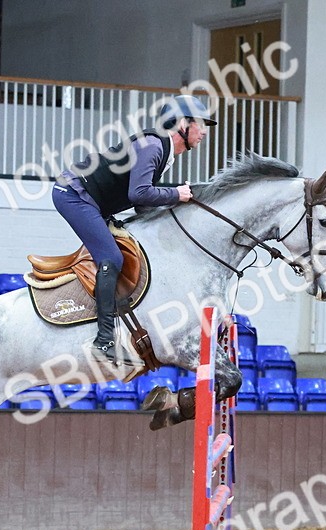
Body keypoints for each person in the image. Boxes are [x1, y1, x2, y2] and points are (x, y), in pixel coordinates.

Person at [52, 94, 217, 364]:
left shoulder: (163, 150)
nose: (204, 132)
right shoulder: (153, 146)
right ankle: (103, 341)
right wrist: (176, 194)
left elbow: (142, 204)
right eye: (200, 124)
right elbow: (139, 194)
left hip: (89, 199)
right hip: (73, 195)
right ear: (182, 124)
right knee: (112, 258)